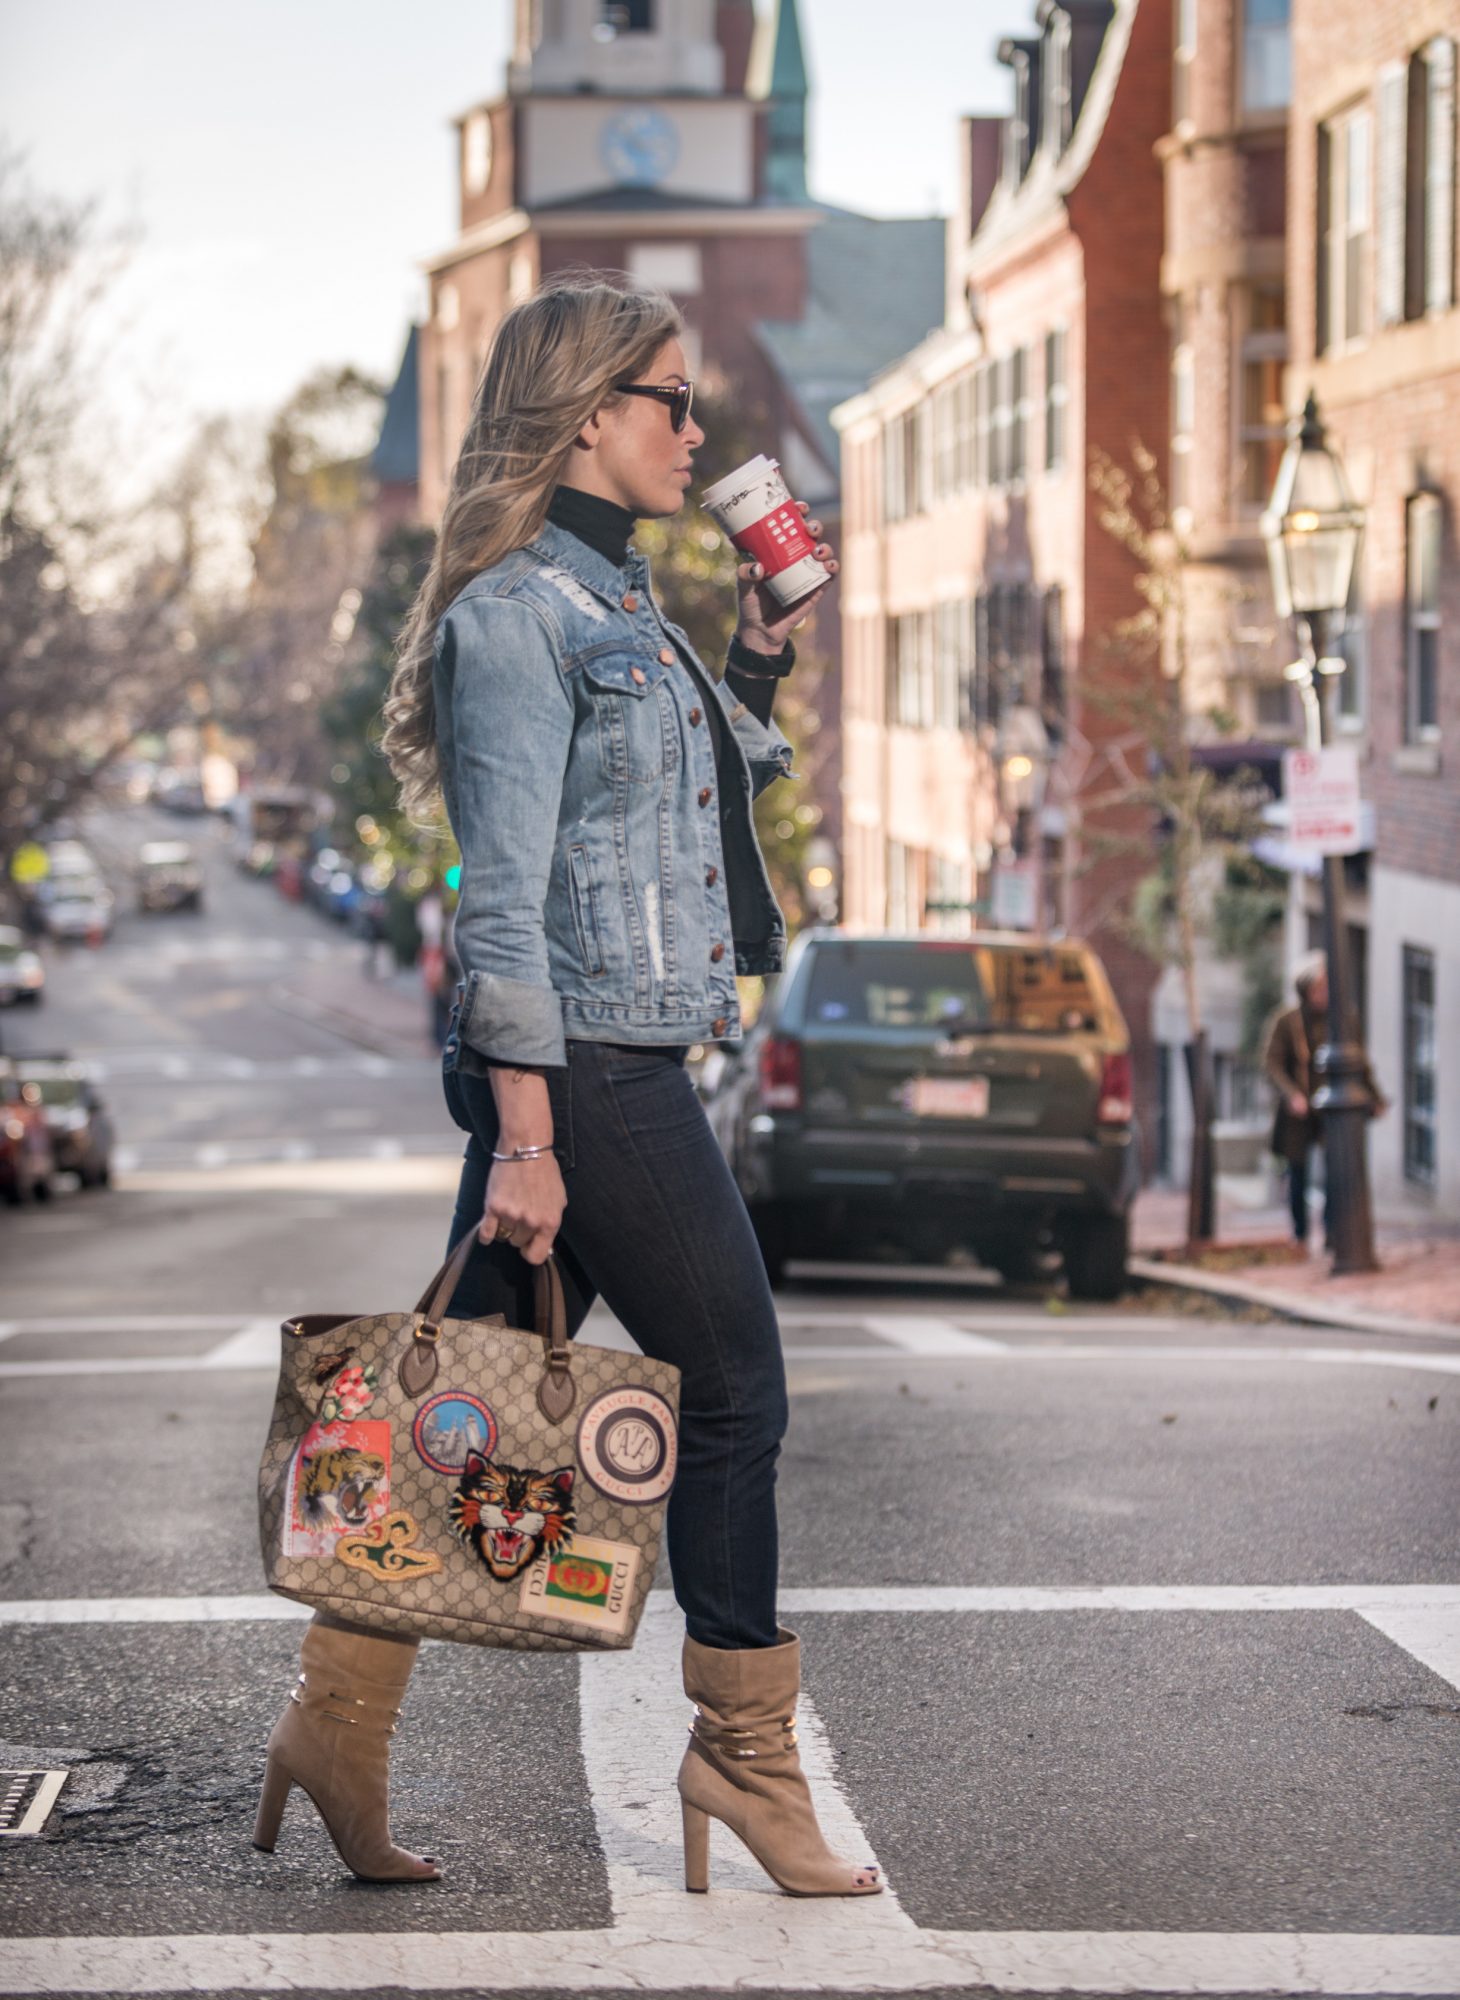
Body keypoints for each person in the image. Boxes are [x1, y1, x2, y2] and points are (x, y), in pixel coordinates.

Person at [254, 275, 880, 1899]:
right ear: (589, 415)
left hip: (606, 1052)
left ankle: (333, 1725)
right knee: (733, 1389)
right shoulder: (515, 619)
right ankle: (744, 1760)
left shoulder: (621, 601)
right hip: (587, 1066)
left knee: (446, 1411)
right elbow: (504, 900)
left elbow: (691, 809)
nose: (697, 431)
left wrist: (755, 654)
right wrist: (529, 1136)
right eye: (672, 400)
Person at [1263, 952, 1386, 1247]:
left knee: (1336, 1168)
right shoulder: (1288, 1021)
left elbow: (1359, 1061)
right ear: (1306, 989)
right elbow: (1272, 1064)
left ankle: (1333, 1232)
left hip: (1333, 1106)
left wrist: (1375, 1096)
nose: (1324, 994)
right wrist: (1292, 1094)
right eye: (1319, 988)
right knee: (1298, 1170)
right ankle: (1300, 1232)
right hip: (1300, 1109)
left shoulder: (1344, 1019)